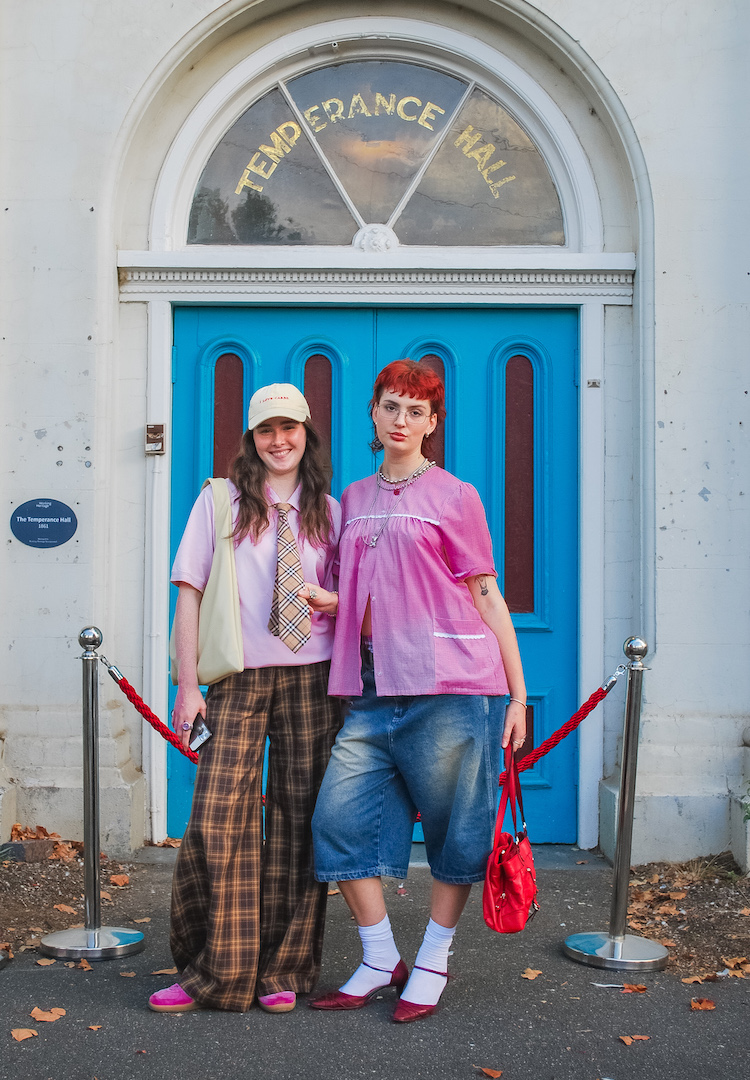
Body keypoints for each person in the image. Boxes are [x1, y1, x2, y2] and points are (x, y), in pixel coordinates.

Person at [300, 360, 527, 1023]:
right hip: (371, 694)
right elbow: (371, 593)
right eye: (391, 406)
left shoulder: (456, 496)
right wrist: (326, 600)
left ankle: (432, 958)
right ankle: (378, 958)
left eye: (415, 411)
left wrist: (518, 696)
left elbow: (486, 592)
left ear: (433, 423)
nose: (401, 420)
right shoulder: (356, 497)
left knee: (459, 834)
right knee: (337, 826)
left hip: (452, 690)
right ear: (373, 413)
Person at [149, 384, 342, 1015]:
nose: (278, 440)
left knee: (298, 823)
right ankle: (219, 971)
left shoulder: (332, 512)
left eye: (290, 429)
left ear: (307, 435)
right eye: (266, 430)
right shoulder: (220, 501)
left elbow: (357, 601)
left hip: (313, 676)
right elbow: (189, 593)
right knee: (218, 819)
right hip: (238, 679)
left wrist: (331, 600)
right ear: (252, 439)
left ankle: (283, 968)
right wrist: (186, 685)